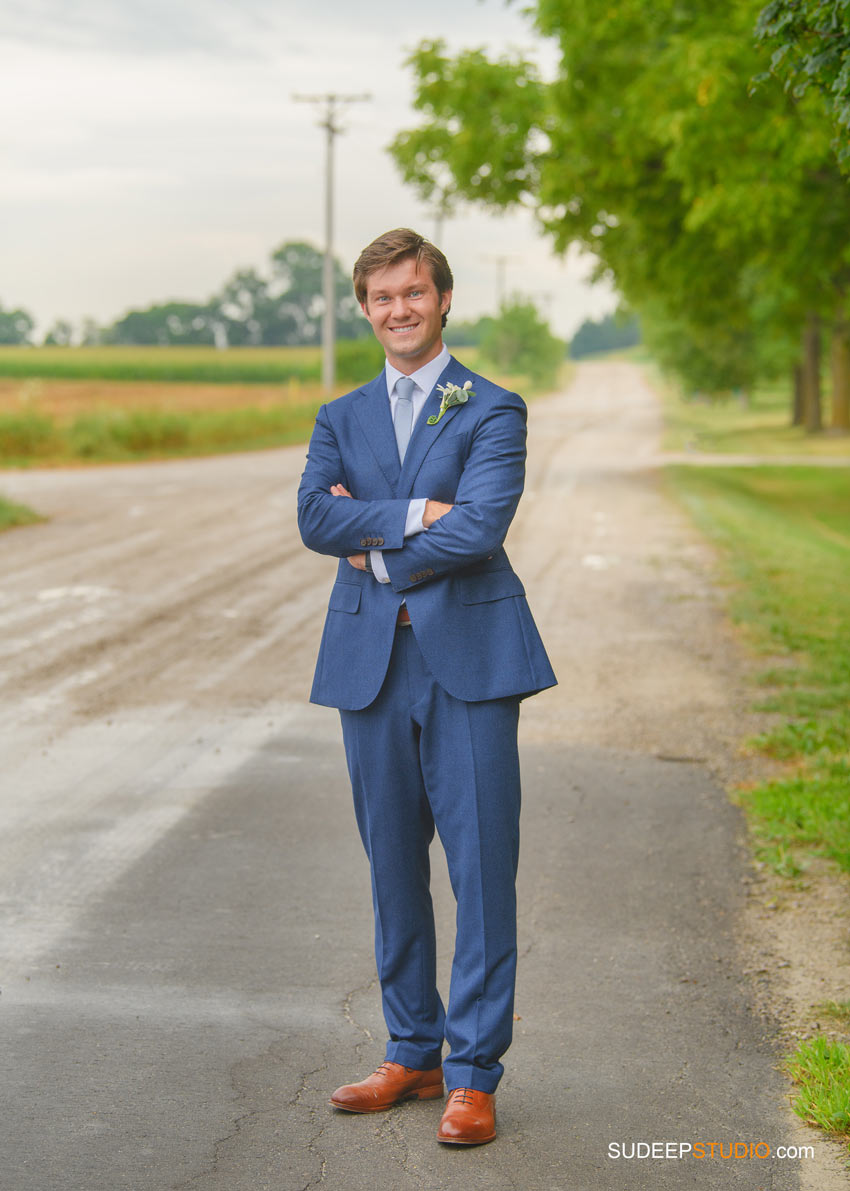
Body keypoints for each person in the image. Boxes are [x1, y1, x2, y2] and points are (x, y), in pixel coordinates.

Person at [297, 228, 556, 1146]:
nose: (399, 309)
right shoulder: (341, 415)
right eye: (382, 296)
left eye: (414, 292)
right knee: (392, 864)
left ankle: (475, 1072)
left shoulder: (492, 407)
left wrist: (371, 545)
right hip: (369, 665)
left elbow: (480, 526)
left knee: (481, 866)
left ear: (443, 299)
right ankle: (412, 1049)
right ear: (364, 308)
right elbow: (310, 517)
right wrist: (409, 516)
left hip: (473, 663)